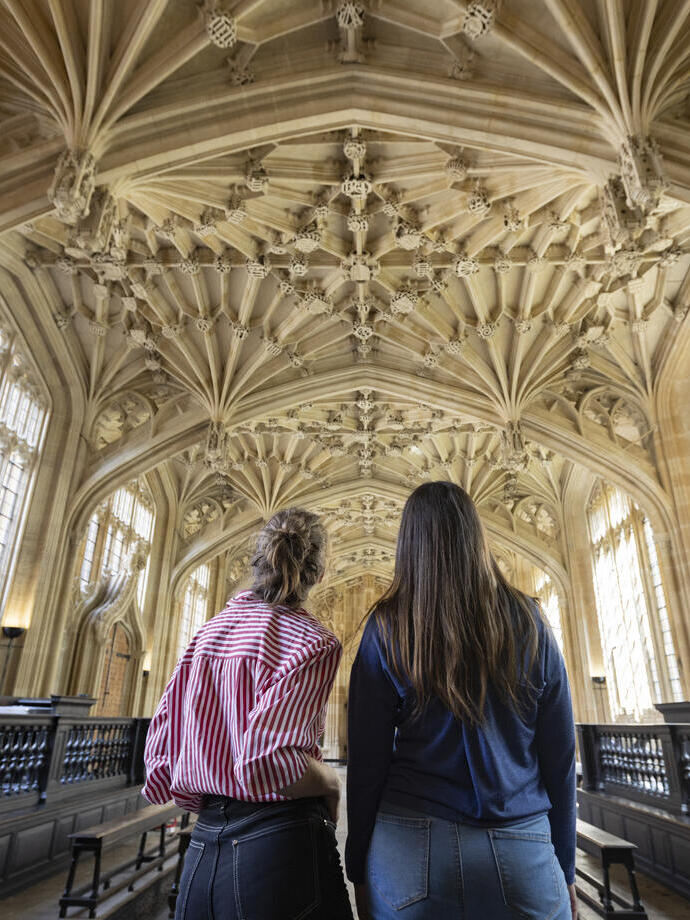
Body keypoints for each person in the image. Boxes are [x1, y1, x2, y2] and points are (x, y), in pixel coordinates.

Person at [346, 481, 577, 920]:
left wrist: (358, 865)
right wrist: (564, 869)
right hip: (521, 843)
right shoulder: (530, 621)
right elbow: (560, 758)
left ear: (409, 544)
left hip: (411, 848)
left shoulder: (388, 626)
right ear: (477, 536)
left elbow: (367, 763)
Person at [143, 508, 353, 920]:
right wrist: (330, 783)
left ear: (256, 563)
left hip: (203, 845)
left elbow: (161, 754)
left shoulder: (206, 634)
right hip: (276, 847)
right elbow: (267, 763)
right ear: (320, 573)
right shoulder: (313, 642)